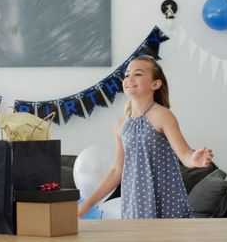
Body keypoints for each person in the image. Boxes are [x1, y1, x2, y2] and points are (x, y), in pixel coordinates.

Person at [78, 55, 214, 218]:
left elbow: (184, 155)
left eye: (138, 74)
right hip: (135, 204)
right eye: (127, 74)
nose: (129, 78)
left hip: (166, 200)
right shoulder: (121, 124)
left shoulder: (162, 115)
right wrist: (87, 205)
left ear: (155, 84)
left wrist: (195, 159)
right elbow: (116, 171)